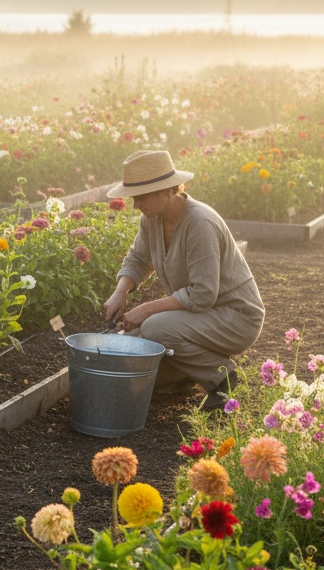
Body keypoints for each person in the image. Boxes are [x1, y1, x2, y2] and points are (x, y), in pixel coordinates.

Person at [101, 150, 264, 412]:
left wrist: (146, 308)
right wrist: (121, 292)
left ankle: (225, 379)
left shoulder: (199, 222)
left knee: (154, 328)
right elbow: (139, 260)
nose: (135, 205)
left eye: (141, 197)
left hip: (236, 318)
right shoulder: (152, 220)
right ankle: (184, 376)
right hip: (204, 315)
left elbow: (203, 294)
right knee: (133, 337)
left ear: (166, 190)